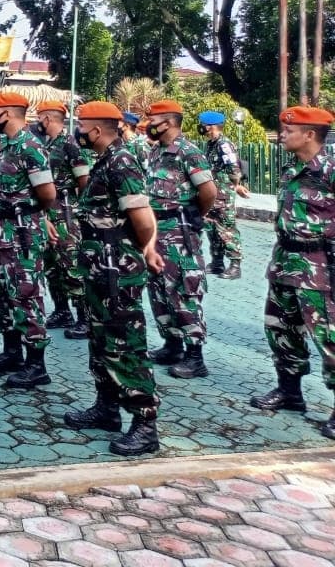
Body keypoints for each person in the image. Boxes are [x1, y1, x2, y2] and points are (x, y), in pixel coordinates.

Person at [63, 102, 164, 456]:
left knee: (125, 342)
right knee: (101, 339)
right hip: (99, 268)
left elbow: (143, 218)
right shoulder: (105, 160)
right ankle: (106, 408)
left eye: (82, 125)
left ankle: (144, 422)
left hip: (115, 271)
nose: (78, 131)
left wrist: (132, 252)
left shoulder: (121, 161)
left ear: (97, 129)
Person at [250, 105, 335, 437]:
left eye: (289, 129)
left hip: (321, 267)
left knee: (329, 339)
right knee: (280, 330)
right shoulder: (290, 169)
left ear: (310, 134)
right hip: (285, 262)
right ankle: (290, 392)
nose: (282, 134)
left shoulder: (330, 169)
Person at [0, 91, 58, 388]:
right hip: (1, 232)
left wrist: (37, 218)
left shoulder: (30, 146)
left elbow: (47, 194)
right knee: (1, 291)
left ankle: (36, 364)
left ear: (7, 113)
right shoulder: (4, 144)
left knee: (25, 293)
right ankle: (11, 352)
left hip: (22, 232)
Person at [144, 99, 217, 379]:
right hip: (155, 232)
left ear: (169, 122)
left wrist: (192, 215)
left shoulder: (189, 152)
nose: (149, 124)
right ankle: (171, 344)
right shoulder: (156, 152)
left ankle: (195, 355)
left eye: (154, 119)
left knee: (183, 290)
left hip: (179, 232)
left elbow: (208, 192)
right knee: (159, 290)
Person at [36, 100, 91, 338]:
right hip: (49, 213)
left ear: (47, 118)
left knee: (70, 266)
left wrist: (78, 211)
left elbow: (84, 180)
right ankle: (62, 310)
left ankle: (85, 317)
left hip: (66, 213)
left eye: (39, 118)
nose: (38, 123)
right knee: (51, 266)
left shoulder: (70, 144)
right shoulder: (47, 144)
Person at [199, 111, 247, 280]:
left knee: (227, 228)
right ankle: (217, 261)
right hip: (212, 192)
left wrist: (236, 186)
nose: (201, 128)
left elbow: (233, 167)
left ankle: (235, 264)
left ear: (210, 126)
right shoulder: (211, 144)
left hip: (224, 193)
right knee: (212, 228)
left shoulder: (224, 144)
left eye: (203, 124)